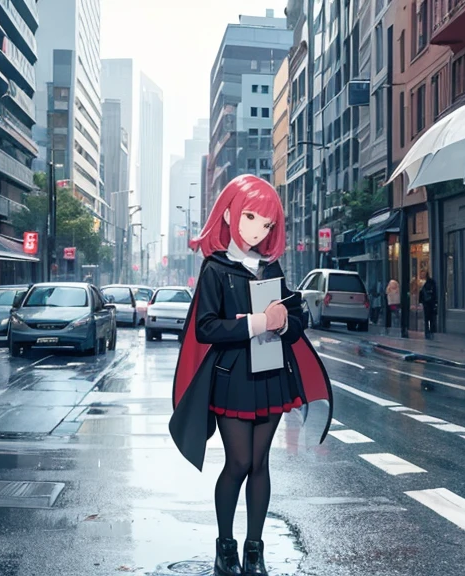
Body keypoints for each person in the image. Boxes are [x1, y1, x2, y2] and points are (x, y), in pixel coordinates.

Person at [169, 175, 334, 576]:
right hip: (232, 377)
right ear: (228, 213)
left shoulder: (270, 267)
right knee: (239, 462)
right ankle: (225, 547)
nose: (257, 229)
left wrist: (283, 322)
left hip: (270, 373)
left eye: (266, 223)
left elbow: (296, 321)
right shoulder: (215, 269)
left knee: (260, 463)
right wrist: (257, 322)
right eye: (250, 216)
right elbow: (205, 327)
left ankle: (254, 550)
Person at [418, 272, 437, 339]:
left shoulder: (426, 283)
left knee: (428, 318)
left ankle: (428, 331)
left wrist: (420, 301)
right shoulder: (430, 282)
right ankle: (430, 331)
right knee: (430, 318)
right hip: (429, 303)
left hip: (427, 303)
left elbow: (421, 293)